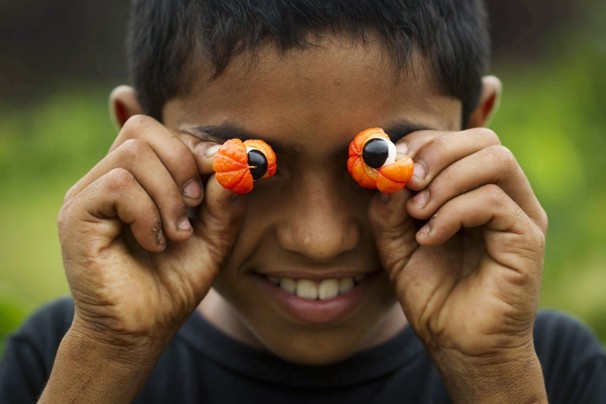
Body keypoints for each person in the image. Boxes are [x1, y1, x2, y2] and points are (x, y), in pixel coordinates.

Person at [1, 1, 605, 402]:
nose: (320, 241)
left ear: (474, 128)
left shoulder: (551, 368)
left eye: (380, 161)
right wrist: (107, 358)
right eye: (250, 165)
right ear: (139, 140)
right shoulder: (64, 360)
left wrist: (496, 377)